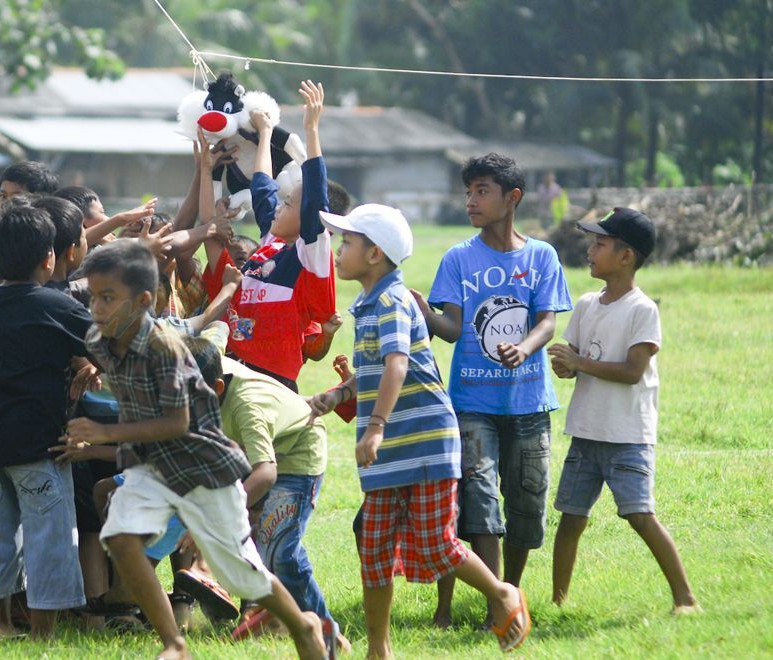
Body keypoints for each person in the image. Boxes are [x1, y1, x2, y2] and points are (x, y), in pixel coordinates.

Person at [65, 240, 330, 660]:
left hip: (202, 467)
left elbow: (178, 422)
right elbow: (80, 302)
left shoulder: (163, 350)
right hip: (155, 466)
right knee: (120, 537)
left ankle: (303, 623)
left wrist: (102, 431)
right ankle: (175, 644)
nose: (96, 307)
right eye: (94, 297)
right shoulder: (105, 335)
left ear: (144, 302)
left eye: (108, 298)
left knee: (239, 573)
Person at [308, 204, 532, 656]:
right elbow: (375, 368)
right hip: (391, 449)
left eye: (347, 242)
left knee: (437, 545)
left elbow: (397, 363)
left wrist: (374, 427)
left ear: (374, 255)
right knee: (373, 551)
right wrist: (339, 394)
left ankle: (502, 592)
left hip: (424, 443)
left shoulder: (391, 300)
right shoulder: (368, 304)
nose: (338, 249)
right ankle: (379, 649)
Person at [413, 153, 572, 629]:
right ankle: (497, 606)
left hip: (529, 404)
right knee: (479, 504)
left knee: (527, 505)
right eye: (468, 192)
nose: (471, 201)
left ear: (512, 198)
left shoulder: (541, 255)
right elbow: (453, 328)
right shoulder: (458, 258)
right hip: (472, 405)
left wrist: (524, 349)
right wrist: (425, 312)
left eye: (482, 191)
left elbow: (547, 320)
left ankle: (512, 593)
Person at [547, 208, 699, 614]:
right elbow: (576, 360)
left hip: (627, 434)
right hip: (586, 430)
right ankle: (557, 602)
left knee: (639, 515)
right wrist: (565, 364)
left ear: (626, 256)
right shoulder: (585, 305)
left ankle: (685, 598)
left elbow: (633, 372)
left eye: (600, 244)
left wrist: (579, 364)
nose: (590, 251)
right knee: (570, 518)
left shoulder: (642, 310)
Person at [0, 205, 92, 640]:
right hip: (37, 445)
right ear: (50, 258)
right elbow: (107, 342)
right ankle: (43, 635)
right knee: (49, 536)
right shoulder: (57, 303)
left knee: (1, 538)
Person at [182, 336, 349, 652]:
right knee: (271, 549)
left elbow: (266, 473)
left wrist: (219, 513)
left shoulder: (246, 406)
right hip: (256, 452)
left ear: (216, 389)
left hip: (297, 455)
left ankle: (326, 633)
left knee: (282, 552)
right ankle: (275, 617)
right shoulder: (199, 371)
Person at [200, 80, 335, 392]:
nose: (278, 207)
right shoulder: (268, 245)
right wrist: (264, 135)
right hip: (231, 370)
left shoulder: (309, 254)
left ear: (307, 220)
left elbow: (315, 199)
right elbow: (262, 187)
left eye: (287, 204)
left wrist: (311, 130)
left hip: (271, 382)